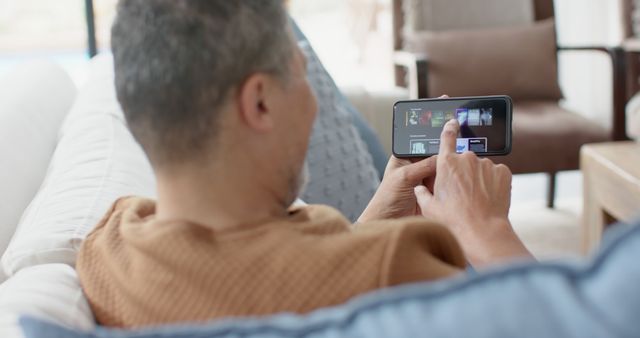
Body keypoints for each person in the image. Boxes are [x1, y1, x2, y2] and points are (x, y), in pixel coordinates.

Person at [76, 0, 531, 328]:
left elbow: (286, 283)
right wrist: (485, 229)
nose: (313, 105)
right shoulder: (396, 267)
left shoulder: (106, 246)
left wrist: (368, 227)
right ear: (259, 102)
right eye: (300, 73)